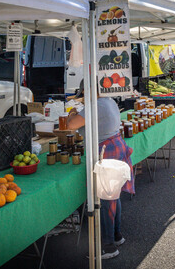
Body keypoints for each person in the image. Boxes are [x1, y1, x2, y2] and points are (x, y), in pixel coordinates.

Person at [66, 95, 134, 259]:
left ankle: (108, 246)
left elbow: (71, 125)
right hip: (115, 144)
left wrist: (72, 114)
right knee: (113, 195)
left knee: (105, 199)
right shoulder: (108, 101)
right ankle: (116, 236)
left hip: (106, 149)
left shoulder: (94, 105)